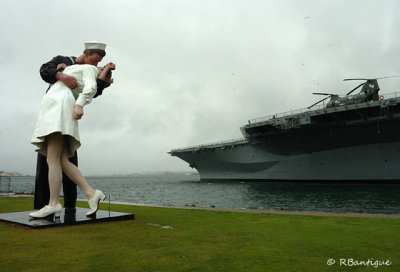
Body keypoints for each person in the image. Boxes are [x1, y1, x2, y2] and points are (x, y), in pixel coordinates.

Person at [29, 41, 116, 218]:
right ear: (86, 52)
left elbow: (92, 89)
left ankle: (53, 203)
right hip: (56, 109)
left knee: (53, 160)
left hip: (59, 110)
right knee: (61, 160)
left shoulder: (89, 69)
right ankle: (91, 194)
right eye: (95, 59)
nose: (96, 64)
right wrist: (61, 73)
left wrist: (79, 104)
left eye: (99, 62)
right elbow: (46, 70)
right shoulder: (66, 63)